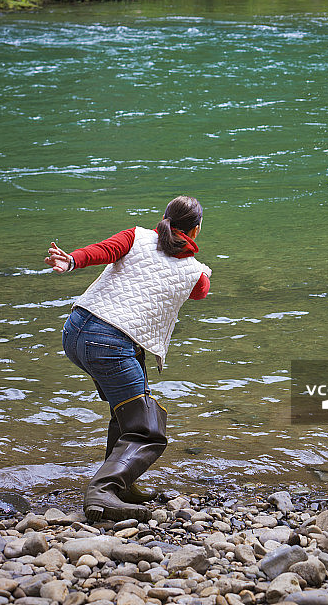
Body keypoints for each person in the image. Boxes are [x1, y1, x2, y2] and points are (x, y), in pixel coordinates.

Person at [44, 195, 212, 523]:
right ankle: (103, 491)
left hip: (76, 331)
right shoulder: (196, 273)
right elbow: (200, 292)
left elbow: (103, 250)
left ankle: (121, 485)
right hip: (109, 344)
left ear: (164, 218)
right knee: (147, 430)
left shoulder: (135, 236)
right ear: (196, 230)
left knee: (125, 413)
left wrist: (71, 260)